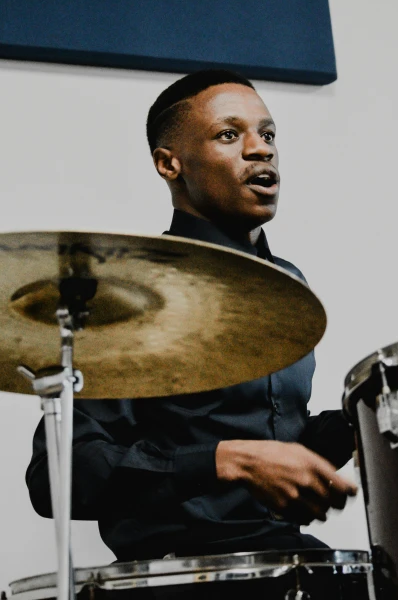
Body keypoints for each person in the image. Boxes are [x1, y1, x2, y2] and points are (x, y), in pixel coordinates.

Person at [26, 69, 356, 568]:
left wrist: (359, 424)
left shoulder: (288, 285)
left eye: (267, 134)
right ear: (169, 163)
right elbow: (59, 473)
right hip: (180, 570)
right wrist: (227, 460)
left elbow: (274, 437)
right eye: (230, 134)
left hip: (285, 560)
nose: (261, 149)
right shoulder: (131, 297)